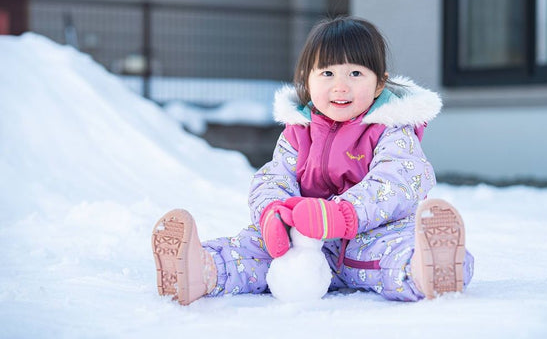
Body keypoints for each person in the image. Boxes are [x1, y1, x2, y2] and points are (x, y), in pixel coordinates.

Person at [151, 16, 474, 305]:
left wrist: (343, 215)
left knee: (394, 256)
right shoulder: (298, 131)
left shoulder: (390, 129)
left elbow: (398, 181)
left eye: (356, 73)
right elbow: (274, 176)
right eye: (328, 72)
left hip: (373, 235)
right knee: (252, 248)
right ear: (307, 80)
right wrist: (272, 212)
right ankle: (202, 270)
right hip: (306, 242)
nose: (341, 86)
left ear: (379, 84)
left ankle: (430, 268)